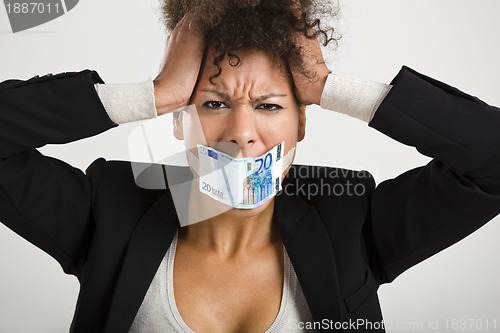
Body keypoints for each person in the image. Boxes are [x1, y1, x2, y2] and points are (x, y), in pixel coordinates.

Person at [1, 0, 500, 332]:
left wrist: (331, 85)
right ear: (179, 123)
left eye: (269, 106)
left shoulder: (351, 218)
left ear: (302, 125)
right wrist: (151, 95)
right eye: (215, 104)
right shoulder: (109, 205)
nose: (242, 132)